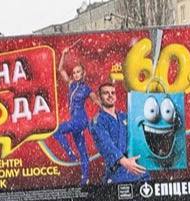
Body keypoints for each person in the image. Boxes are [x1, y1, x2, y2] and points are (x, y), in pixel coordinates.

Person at [52, 46, 98, 185]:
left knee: (56, 130)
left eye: (78, 72)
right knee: (83, 151)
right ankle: (85, 179)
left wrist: (106, 110)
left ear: (83, 73)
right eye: (74, 72)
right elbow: (60, 69)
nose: (76, 74)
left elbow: (97, 101)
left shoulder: (86, 88)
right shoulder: (71, 84)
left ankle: (70, 153)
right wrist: (63, 54)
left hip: (81, 120)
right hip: (75, 121)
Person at [89, 82, 148, 183]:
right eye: (106, 93)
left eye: (113, 93)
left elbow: (139, 136)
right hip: (117, 171)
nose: (110, 95)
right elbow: (106, 144)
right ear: (99, 97)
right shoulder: (97, 121)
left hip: (137, 167)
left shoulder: (124, 116)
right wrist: (124, 161)